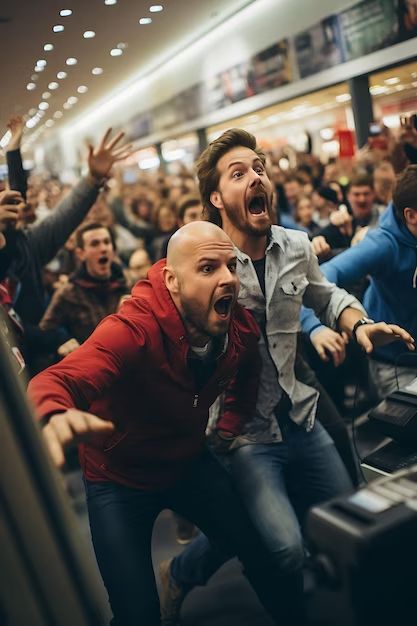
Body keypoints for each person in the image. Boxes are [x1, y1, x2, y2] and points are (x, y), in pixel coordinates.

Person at [160, 128, 414, 626]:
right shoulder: (208, 263)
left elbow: (326, 295)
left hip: (301, 413)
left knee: (346, 525)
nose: (256, 177)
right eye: (239, 173)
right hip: (245, 433)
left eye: (259, 167)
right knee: (283, 548)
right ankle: (181, 570)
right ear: (216, 198)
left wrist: (358, 324)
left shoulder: (295, 246)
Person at [28, 221, 288, 626]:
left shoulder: (238, 327)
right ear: (172, 280)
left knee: (260, 551)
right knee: (138, 614)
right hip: (117, 478)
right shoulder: (132, 331)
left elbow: (248, 368)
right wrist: (54, 414)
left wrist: (230, 422)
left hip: (186, 463)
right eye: (207, 269)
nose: (228, 280)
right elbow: (58, 379)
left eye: (231, 267)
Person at [301, 164, 417, 401]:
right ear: (411, 216)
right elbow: (317, 280)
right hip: (397, 364)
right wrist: (316, 327)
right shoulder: (382, 245)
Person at [39, 222, 128, 351]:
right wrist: (63, 341)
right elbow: (45, 330)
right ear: (81, 253)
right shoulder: (68, 293)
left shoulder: (128, 284)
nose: (103, 248)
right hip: (92, 364)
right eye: (94, 244)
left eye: (107, 242)